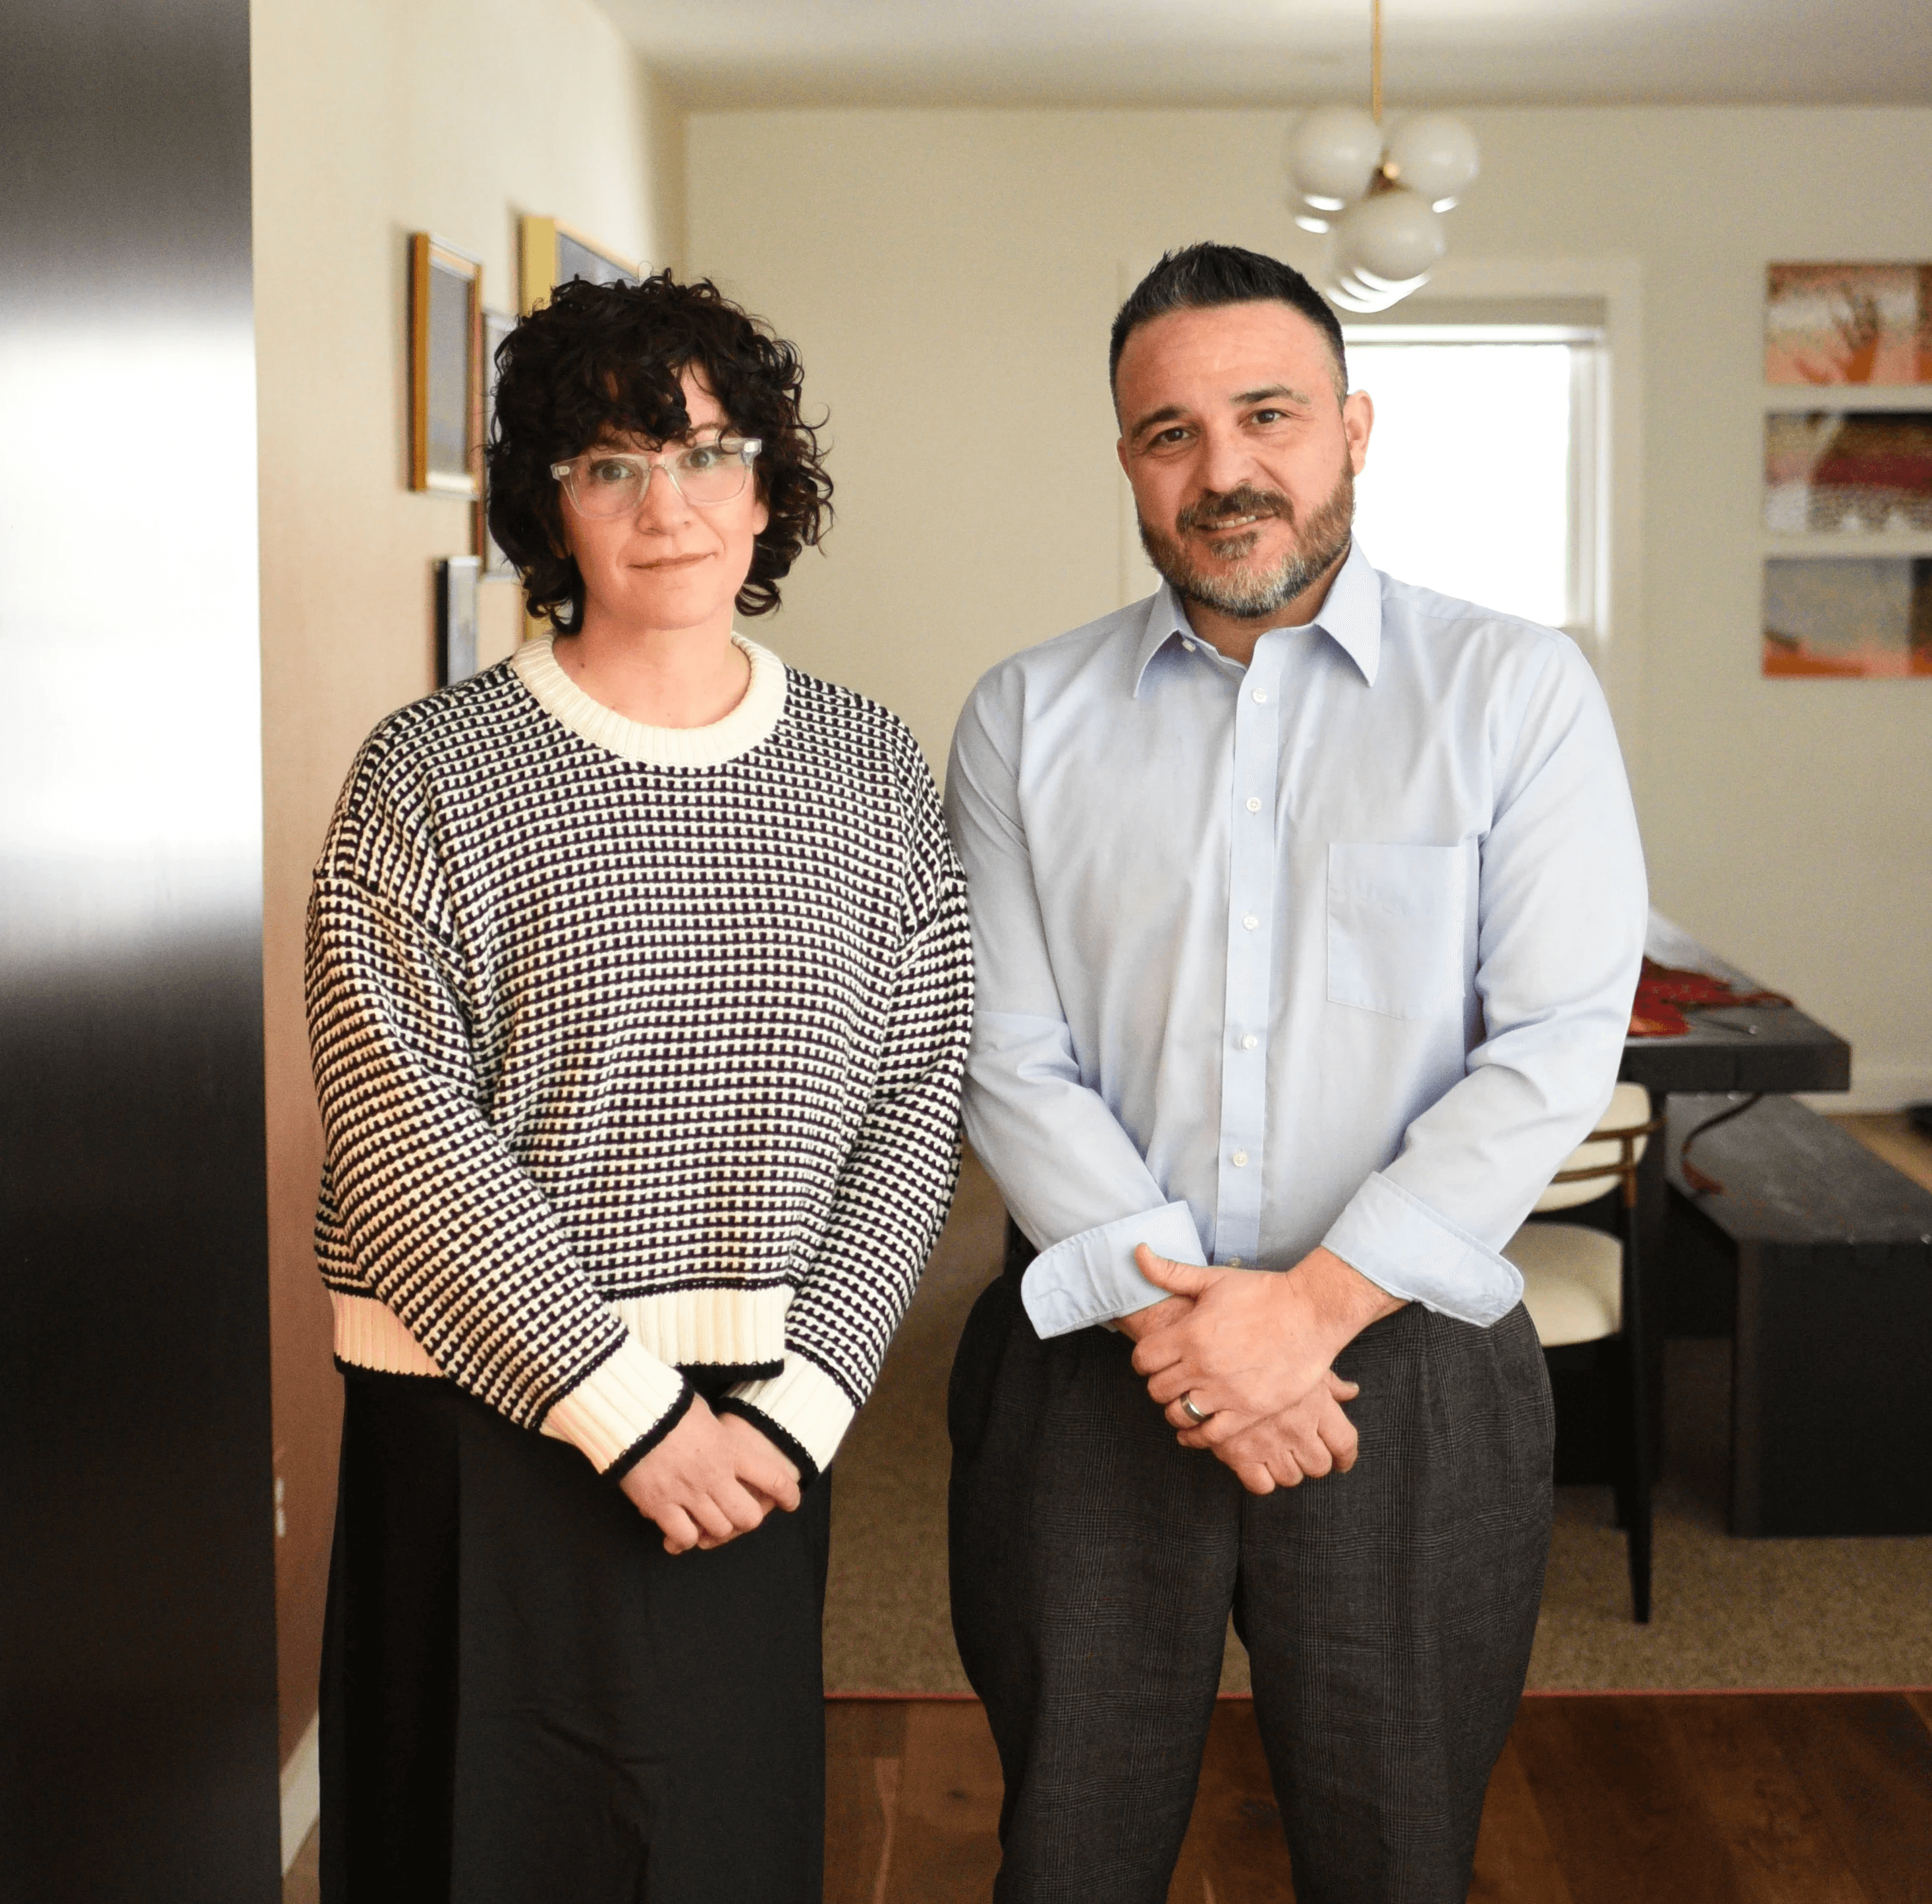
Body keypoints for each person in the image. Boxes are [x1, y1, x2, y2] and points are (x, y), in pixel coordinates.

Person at [945, 243, 1647, 1903]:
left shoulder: (1514, 691)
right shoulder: (1021, 715)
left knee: (1395, 1851)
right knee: (1066, 1851)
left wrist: (1305, 1312)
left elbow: (1551, 1042)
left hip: (1406, 1366)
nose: (1223, 470)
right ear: (1127, 460)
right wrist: (1187, 1327)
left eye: (1266, 414)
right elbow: (1005, 1055)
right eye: (1168, 431)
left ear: (1352, 428)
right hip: (1099, 1367)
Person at [309, 271, 973, 1903]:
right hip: (480, 1415)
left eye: (705, 454)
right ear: (550, 505)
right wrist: (623, 1409)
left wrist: (804, 1403)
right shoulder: (429, 769)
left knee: (722, 1850)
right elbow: (398, 1133)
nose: (666, 505)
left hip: (759, 1427)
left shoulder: (869, 766)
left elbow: (915, 1093)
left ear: (765, 486)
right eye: (610, 464)